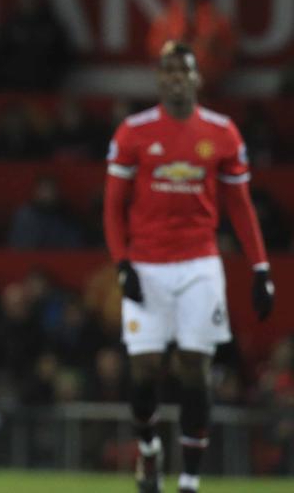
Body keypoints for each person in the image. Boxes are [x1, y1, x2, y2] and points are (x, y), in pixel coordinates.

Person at [104, 40, 276, 493]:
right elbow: (112, 208)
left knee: (195, 370)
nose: (176, 78)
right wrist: (123, 265)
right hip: (147, 265)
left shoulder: (222, 133)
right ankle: (148, 450)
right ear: (160, 79)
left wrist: (260, 267)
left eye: (184, 70)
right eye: (168, 71)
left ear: (197, 78)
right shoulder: (133, 132)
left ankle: (189, 481)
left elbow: (240, 206)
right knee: (142, 374)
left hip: (200, 265)